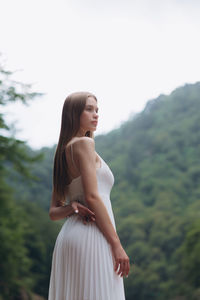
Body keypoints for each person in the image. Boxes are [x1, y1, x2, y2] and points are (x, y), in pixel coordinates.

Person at [48, 92, 130, 300]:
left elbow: (54, 212)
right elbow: (93, 197)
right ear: (73, 113)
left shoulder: (61, 152)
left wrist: (73, 207)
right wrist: (117, 245)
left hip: (70, 237)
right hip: (93, 236)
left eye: (97, 110)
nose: (95, 115)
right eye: (89, 109)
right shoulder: (84, 144)